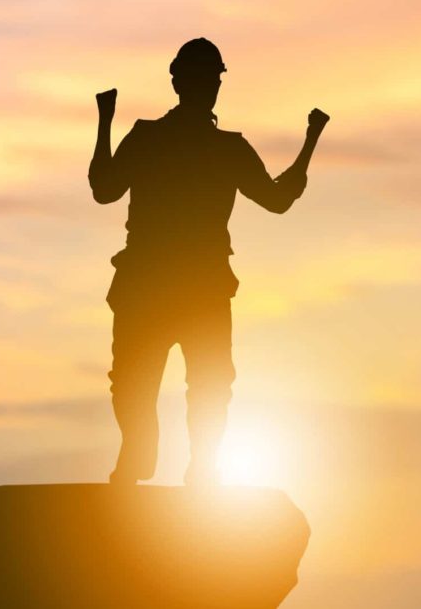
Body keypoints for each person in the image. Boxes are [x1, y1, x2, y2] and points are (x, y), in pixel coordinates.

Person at [88, 37, 329, 485]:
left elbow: (275, 200)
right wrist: (104, 124)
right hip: (157, 284)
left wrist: (310, 144)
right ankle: (143, 457)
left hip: (191, 287)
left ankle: (198, 466)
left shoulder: (223, 148)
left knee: (206, 384)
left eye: (213, 80)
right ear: (180, 82)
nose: (210, 88)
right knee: (139, 383)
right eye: (205, 79)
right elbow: (104, 189)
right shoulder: (154, 138)